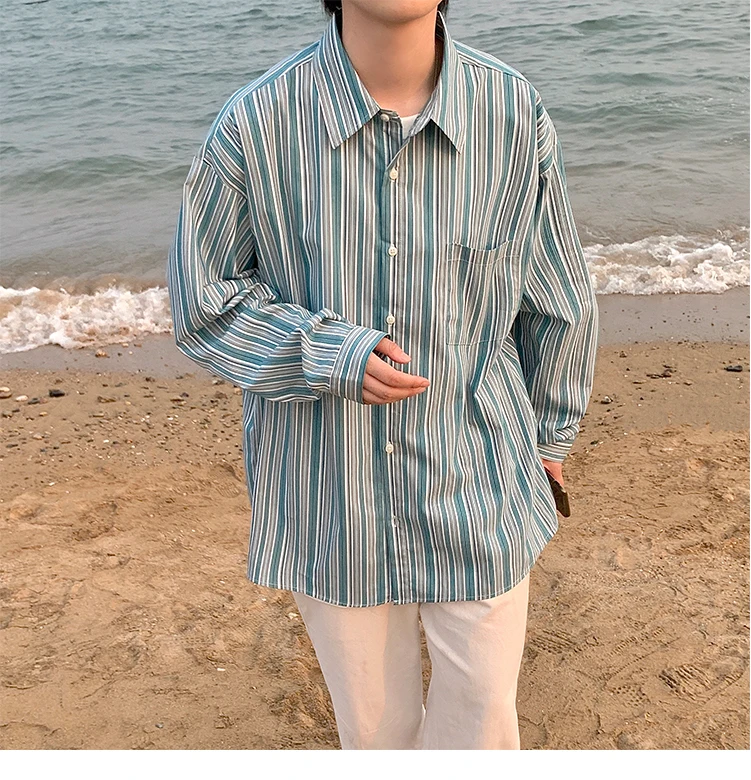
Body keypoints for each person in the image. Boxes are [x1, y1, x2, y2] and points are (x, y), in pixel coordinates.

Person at [166, 0, 599, 750]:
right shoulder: (256, 123)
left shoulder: (510, 111)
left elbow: (554, 294)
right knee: (372, 735)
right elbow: (202, 304)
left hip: (481, 474)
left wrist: (552, 434)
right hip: (328, 491)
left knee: (483, 721)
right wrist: (326, 353)